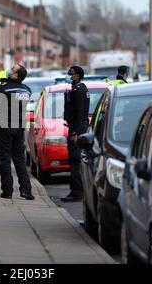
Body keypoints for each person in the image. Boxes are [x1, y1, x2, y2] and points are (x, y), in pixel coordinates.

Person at [0, 64, 35, 200]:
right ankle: (26, 190)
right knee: (19, 159)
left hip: (3, 127)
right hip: (19, 128)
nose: (10, 70)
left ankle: (7, 191)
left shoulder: (3, 88)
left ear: (16, 75)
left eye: (13, 69)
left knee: (4, 158)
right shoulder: (26, 90)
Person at [61, 66, 90, 202]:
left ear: (77, 75)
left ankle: (76, 192)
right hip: (79, 128)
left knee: (75, 161)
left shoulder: (78, 91)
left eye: (70, 73)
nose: (68, 75)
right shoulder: (78, 88)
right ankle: (78, 191)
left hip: (77, 130)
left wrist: (75, 132)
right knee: (76, 161)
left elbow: (80, 113)